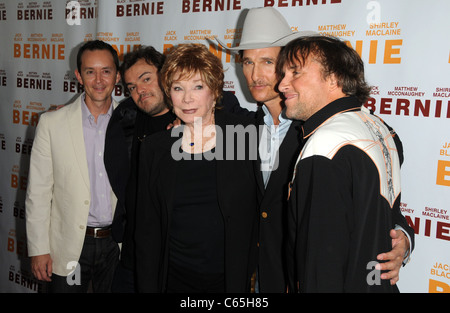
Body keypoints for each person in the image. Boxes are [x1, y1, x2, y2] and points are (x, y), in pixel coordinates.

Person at [217, 7, 413, 292]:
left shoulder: (337, 131)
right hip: (257, 277)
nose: (256, 74)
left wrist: (403, 240)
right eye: (247, 63)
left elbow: (381, 200)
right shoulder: (242, 129)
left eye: (268, 62)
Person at [104, 46, 252, 292]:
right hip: (172, 278)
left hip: (227, 280)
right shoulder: (155, 148)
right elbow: (147, 231)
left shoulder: (241, 137)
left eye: (197, 86)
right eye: (177, 88)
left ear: (215, 90)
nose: (187, 98)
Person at [277, 35, 415, 292]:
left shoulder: (325, 144)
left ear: (333, 78)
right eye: (283, 74)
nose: (282, 84)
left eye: (295, 72)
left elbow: (320, 264)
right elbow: (387, 216)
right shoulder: (382, 128)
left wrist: (402, 241)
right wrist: (404, 239)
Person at [25, 40, 121, 292]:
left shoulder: (132, 122)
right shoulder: (51, 123)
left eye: (106, 71)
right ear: (79, 76)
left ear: (117, 76)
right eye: (90, 71)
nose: (98, 80)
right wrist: (38, 249)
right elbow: (38, 192)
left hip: (117, 245)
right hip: (69, 246)